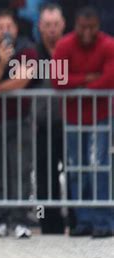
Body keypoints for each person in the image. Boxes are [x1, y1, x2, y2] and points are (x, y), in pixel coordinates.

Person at [0, 9, 38, 239]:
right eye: (0, 27)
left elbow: (22, 80)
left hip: (20, 119)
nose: (5, 31)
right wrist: (2, 63)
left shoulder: (28, 49)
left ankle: (20, 219)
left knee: (21, 169)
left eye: (8, 26)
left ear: (16, 28)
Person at [52, 6, 114, 237]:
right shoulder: (65, 45)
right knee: (77, 169)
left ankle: (104, 221)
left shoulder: (108, 45)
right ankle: (83, 220)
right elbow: (58, 80)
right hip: (73, 117)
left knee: (100, 167)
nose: (87, 32)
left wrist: (77, 86)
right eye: (82, 27)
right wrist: (89, 80)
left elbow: (110, 80)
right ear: (75, 25)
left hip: (101, 117)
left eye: (91, 27)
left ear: (98, 25)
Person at [35, 3, 66, 234]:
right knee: (45, 173)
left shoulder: (71, 50)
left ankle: (75, 217)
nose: (52, 29)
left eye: (55, 24)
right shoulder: (34, 54)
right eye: (47, 25)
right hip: (41, 123)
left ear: (63, 25)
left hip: (69, 122)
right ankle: (48, 221)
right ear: (40, 27)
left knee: (75, 170)